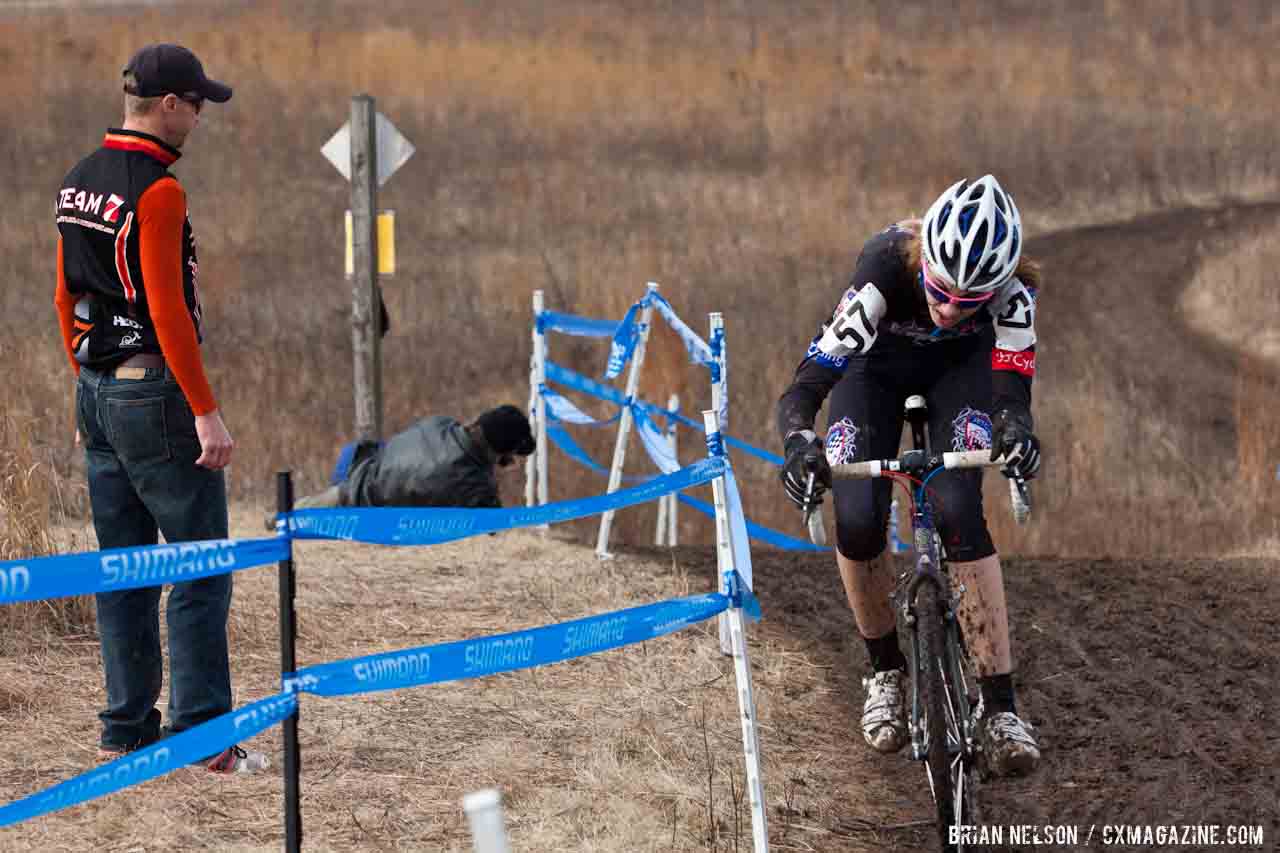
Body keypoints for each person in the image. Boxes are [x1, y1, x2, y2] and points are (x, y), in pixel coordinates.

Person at [776, 175, 1042, 777]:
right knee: (859, 516)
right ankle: (884, 672)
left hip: (959, 374)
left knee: (956, 507)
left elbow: (1011, 394)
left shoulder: (1014, 294)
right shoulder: (883, 271)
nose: (949, 310)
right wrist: (798, 444)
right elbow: (807, 385)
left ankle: (999, 707)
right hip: (874, 372)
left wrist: (1016, 433)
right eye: (942, 291)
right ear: (924, 262)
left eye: (969, 302)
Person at [54, 44, 263, 774]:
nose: (201, 116)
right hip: (155, 393)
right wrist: (204, 409)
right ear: (167, 104)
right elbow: (168, 309)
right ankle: (203, 740)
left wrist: (90, 374)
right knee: (202, 568)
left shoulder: (78, 180)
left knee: (126, 567)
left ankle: (125, 728)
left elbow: (65, 297)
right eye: (196, 102)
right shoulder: (160, 192)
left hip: (97, 391)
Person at [279, 405, 536, 515]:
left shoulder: (440, 423)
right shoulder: (474, 483)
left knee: (297, 513)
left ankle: (279, 515)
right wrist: (491, 469)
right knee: (307, 518)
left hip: (356, 469)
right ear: (501, 451)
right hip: (361, 509)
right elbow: (494, 523)